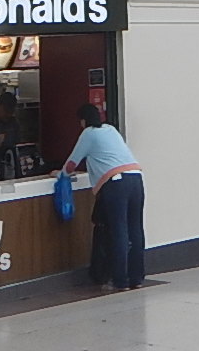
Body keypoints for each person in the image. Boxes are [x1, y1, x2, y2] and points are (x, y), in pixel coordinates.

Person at [63, 104, 145, 290]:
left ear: (83, 120)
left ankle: (120, 281)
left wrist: (60, 174)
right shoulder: (111, 129)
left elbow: (71, 164)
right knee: (136, 229)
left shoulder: (88, 134)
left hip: (115, 184)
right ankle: (137, 278)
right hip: (136, 178)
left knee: (119, 231)